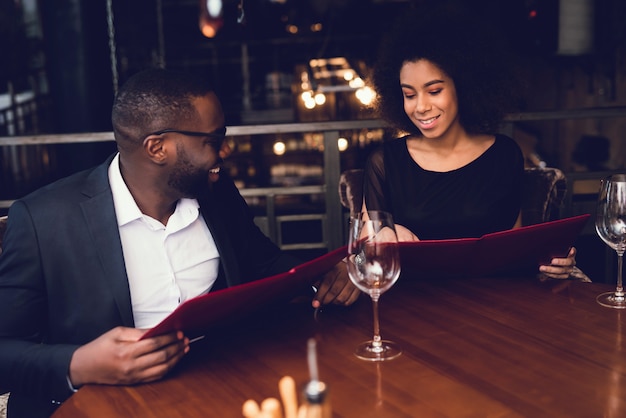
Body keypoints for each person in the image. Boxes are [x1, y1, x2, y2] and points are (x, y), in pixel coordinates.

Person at [0, 68, 358, 417]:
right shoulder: (42, 220)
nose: (227, 150)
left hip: (221, 392)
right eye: (213, 140)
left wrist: (326, 275)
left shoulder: (216, 194)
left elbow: (265, 267)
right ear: (157, 148)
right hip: (99, 406)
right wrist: (80, 364)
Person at [363, 6, 578, 280]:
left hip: (491, 307)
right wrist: (386, 234)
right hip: (412, 309)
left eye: (434, 91)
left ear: (463, 87)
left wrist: (550, 266)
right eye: (409, 94)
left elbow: (514, 253)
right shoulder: (384, 163)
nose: (421, 107)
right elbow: (365, 263)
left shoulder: (504, 154)